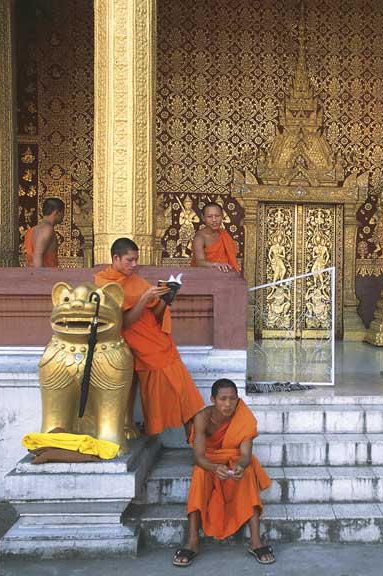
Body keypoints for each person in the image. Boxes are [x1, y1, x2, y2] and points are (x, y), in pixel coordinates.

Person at [94, 238, 205, 439]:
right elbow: (124, 322)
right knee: (175, 386)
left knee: (180, 386)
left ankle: (192, 426)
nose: (134, 264)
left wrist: (166, 298)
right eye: (130, 260)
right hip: (138, 341)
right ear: (115, 258)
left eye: (136, 259)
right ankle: (190, 427)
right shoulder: (104, 283)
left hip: (156, 339)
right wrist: (145, 298)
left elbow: (153, 314)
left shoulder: (135, 280)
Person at [174, 379, 274, 567]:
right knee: (199, 474)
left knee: (248, 471)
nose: (228, 404)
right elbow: (198, 456)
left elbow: (245, 455)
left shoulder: (244, 417)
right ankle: (193, 541)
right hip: (209, 459)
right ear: (213, 399)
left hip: (234, 457)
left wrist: (240, 466)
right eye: (223, 399)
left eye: (232, 399)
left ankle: (255, 541)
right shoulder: (202, 417)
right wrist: (213, 467)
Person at [191, 202, 240, 273]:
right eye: (209, 216)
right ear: (203, 218)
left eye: (217, 216)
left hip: (224, 274)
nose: (214, 220)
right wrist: (216, 264)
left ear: (222, 216)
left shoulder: (223, 234)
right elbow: (200, 262)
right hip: (204, 276)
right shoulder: (200, 237)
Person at [24, 198, 64, 267]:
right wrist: (40, 277)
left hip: (31, 274)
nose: (63, 216)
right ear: (56, 212)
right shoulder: (47, 230)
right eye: (63, 212)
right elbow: (37, 256)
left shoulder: (33, 230)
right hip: (43, 275)